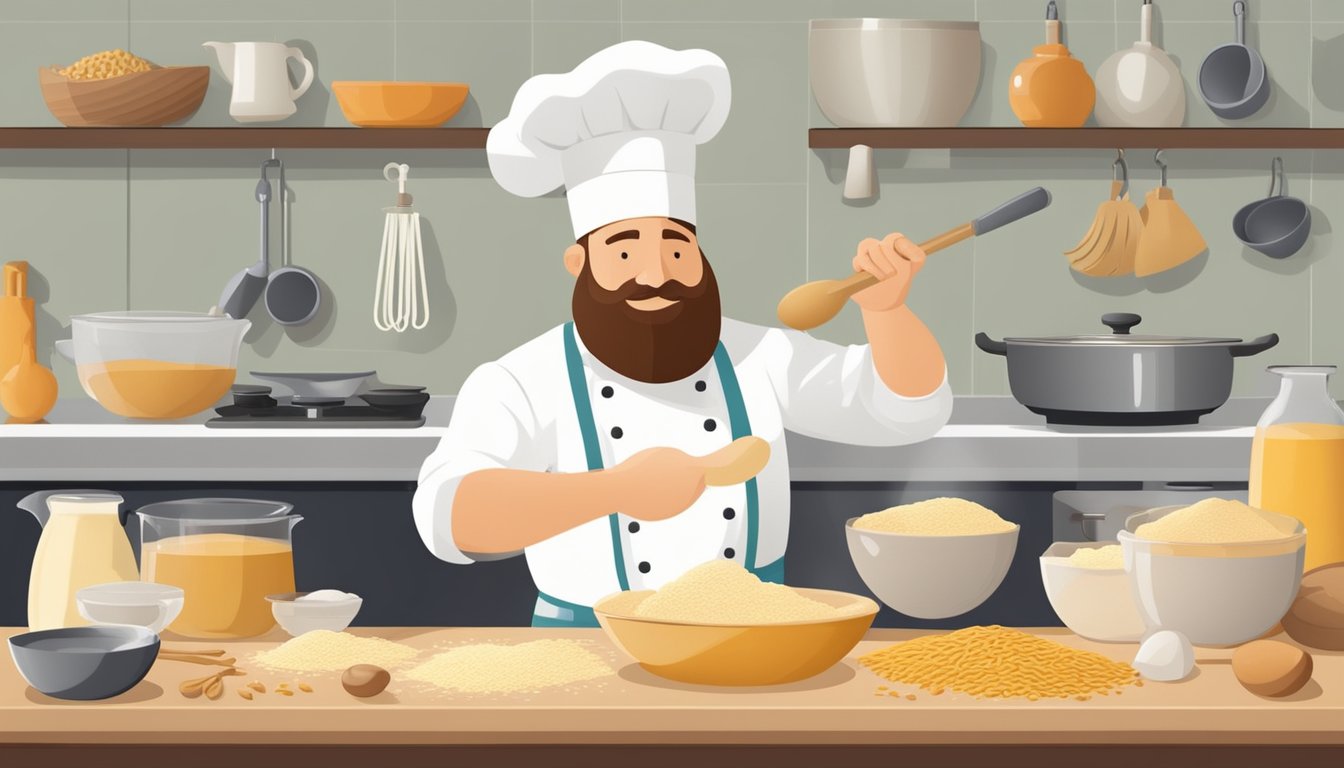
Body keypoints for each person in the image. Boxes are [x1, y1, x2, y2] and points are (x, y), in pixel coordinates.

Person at [413, 41, 952, 627]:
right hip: (585, 651)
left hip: (750, 634)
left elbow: (907, 409)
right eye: (624, 250)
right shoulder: (521, 380)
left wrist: (887, 312)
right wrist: (615, 490)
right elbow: (447, 518)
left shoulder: (759, 356)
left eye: (676, 248)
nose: (655, 274)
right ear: (578, 262)